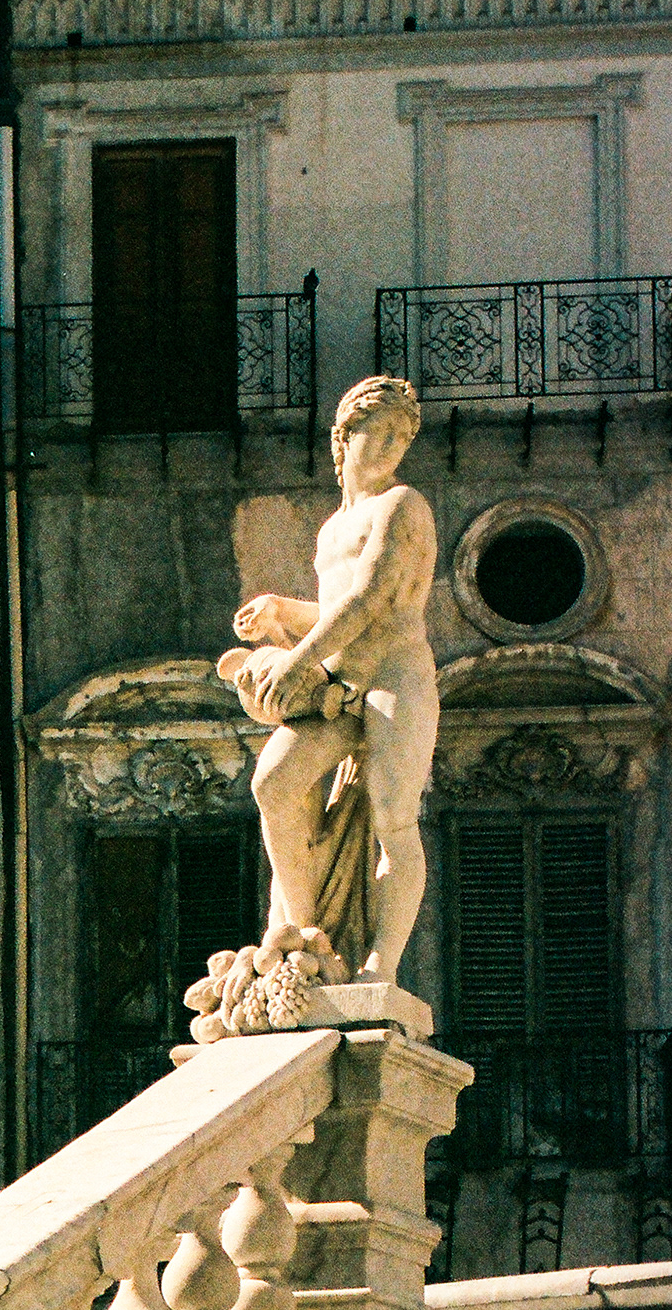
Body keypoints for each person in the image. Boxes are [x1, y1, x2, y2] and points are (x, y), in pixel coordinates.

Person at [229, 373, 438, 991]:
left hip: (397, 675)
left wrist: (296, 662)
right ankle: (302, 930)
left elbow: (373, 599)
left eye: (403, 438)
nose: (394, 448)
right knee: (273, 783)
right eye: (383, 434)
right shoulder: (330, 530)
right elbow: (337, 614)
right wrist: (282, 613)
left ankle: (382, 966)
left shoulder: (402, 506)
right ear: (343, 438)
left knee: (395, 817)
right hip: (341, 682)